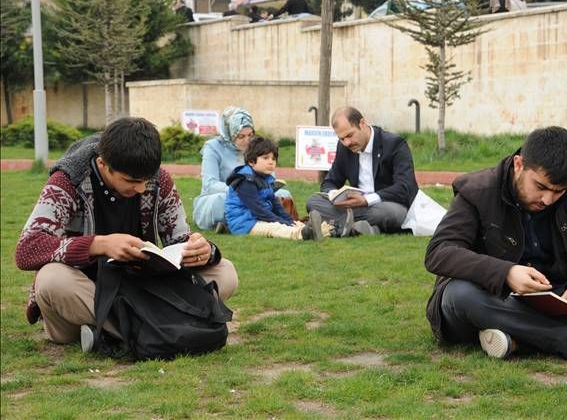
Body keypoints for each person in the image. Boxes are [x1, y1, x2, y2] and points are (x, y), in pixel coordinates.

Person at [424, 126, 567, 361]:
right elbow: (439, 252)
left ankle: (517, 339)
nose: (547, 199)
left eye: (559, 192)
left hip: (554, 299)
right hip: (494, 298)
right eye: (541, 187)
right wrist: (506, 273)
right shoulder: (477, 190)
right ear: (518, 165)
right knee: (459, 295)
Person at [16, 117, 238, 346]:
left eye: (146, 180)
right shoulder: (67, 180)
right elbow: (27, 248)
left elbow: (180, 239)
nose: (142, 188)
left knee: (225, 272)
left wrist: (202, 250)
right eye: (131, 181)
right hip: (87, 291)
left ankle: (119, 333)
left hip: (142, 289)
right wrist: (99, 245)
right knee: (52, 279)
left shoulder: (159, 180)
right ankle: (166, 328)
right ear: (103, 165)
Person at [305, 107, 419, 235]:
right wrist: (335, 196)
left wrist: (366, 200)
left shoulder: (395, 144)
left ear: (362, 123)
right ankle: (360, 228)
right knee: (313, 201)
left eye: (349, 135)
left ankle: (341, 225)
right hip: (355, 207)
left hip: (387, 204)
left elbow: (404, 187)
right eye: (342, 139)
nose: (347, 143)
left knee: (391, 214)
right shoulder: (344, 148)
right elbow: (329, 182)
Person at [193, 107, 293, 231]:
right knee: (224, 201)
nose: (247, 140)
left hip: (254, 194)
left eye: (250, 135)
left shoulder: (257, 146)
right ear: (230, 134)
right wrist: (240, 189)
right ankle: (245, 222)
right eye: (241, 136)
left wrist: (265, 188)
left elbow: (268, 179)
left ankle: (240, 224)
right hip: (221, 196)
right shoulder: (213, 148)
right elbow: (209, 184)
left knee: (284, 195)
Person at [225, 136, 335, 241]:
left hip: (257, 220)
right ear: (251, 162)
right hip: (245, 224)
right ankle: (304, 234)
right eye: (265, 158)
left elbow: (276, 205)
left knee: (293, 223)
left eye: (273, 158)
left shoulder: (266, 178)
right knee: (275, 228)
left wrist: (290, 221)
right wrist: (283, 222)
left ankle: (329, 229)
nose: (271, 162)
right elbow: (259, 210)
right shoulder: (246, 181)